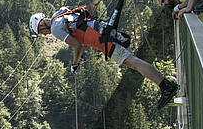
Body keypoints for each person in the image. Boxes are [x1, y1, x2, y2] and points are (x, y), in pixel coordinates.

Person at [29, 10, 179, 109]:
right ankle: (166, 85)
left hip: (102, 40)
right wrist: (80, 54)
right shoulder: (60, 14)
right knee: (133, 63)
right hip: (102, 31)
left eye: (41, 32)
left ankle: (167, 87)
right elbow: (82, 37)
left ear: (41, 24)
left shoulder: (55, 28)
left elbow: (78, 45)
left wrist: (74, 64)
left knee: (133, 62)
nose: (45, 34)